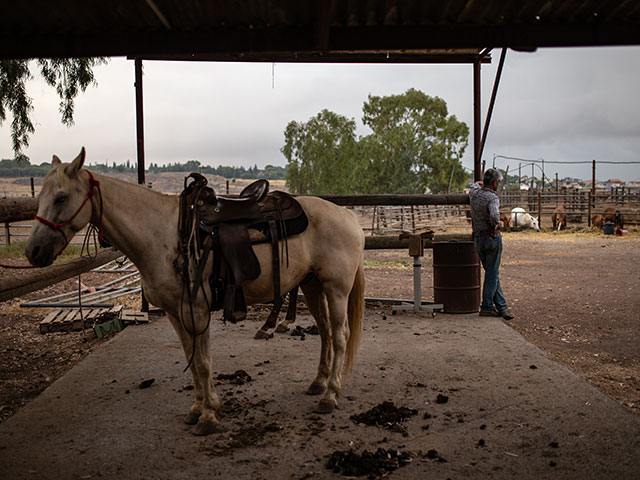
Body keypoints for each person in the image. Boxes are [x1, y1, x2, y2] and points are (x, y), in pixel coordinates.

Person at [469, 168, 515, 320]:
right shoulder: (492, 198)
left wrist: (478, 183)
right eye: (498, 182)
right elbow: (495, 216)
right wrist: (497, 224)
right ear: (494, 183)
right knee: (492, 273)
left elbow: (474, 186)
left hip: (478, 238)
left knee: (491, 273)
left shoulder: (475, 193)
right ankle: (487, 306)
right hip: (491, 237)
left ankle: (502, 307)